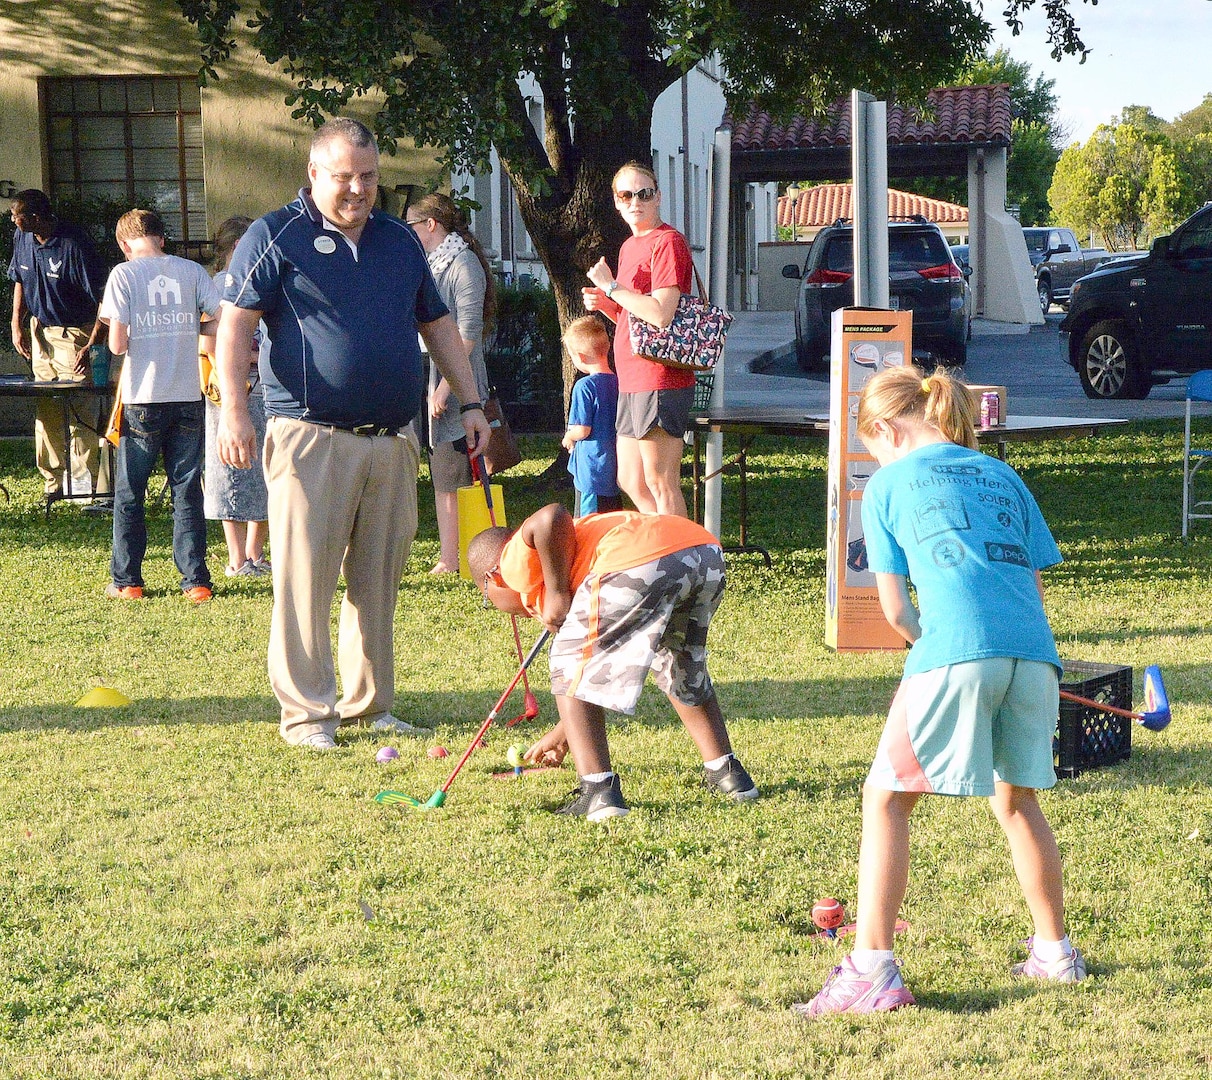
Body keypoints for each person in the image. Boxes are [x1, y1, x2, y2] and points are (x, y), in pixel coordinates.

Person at [794, 365, 1084, 1018]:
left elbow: (897, 612)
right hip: (1035, 654)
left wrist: (934, 650)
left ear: (886, 430)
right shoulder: (1004, 475)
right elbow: (1034, 590)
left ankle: (871, 970)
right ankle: (1056, 953)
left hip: (955, 651)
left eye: (870, 444)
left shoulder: (888, 483)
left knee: (886, 799)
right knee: (1017, 802)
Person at [215, 117, 491, 751]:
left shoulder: (399, 240)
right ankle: (309, 716)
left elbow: (439, 325)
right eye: (343, 177)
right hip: (311, 438)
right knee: (304, 582)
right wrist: (234, 409)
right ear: (314, 174)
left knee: (378, 579)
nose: (357, 190)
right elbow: (234, 328)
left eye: (367, 177)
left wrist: (472, 401)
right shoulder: (274, 234)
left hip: (393, 440)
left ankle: (370, 706)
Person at [468, 503, 759, 821]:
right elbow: (600, 669)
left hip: (639, 559)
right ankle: (727, 774)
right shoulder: (575, 551)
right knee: (678, 662)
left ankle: (598, 792)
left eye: (486, 597)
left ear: (491, 579)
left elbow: (549, 516)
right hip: (702, 552)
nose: (494, 604)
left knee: (568, 658)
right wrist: (564, 732)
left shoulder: (509, 559)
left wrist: (554, 593)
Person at [100, 209, 220, 603]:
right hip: (187, 393)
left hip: (142, 397)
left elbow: (117, 344)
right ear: (162, 238)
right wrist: (189, 327)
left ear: (124, 243)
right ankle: (196, 581)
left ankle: (128, 581)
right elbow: (220, 322)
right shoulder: (191, 272)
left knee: (131, 490)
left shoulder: (123, 275)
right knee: (186, 489)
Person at [583, 161, 693, 517]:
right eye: (626, 195)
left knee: (661, 481)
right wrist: (608, 303)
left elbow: (661, 313)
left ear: (658, 197)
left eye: (644, 193)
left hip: (659, 376)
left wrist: (612, 287)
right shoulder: (630, 246)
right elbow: (637, 318)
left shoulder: (668, 242)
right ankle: (667, 545)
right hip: (631, 377)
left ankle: (681, 560)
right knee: (631, 479)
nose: (635, 201)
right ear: (616, 202)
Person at [404, 193, 493, 573]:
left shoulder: (463, 264)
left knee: (450, 472)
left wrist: (445, 387)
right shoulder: (428, 264)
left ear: (430, 225)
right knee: (434, 467)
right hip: (424, 372)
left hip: (455, 379)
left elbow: (469, 333)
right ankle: (447, 555)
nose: (406, 233)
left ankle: (451, 558)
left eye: (411, 226)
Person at [7, 189, 110, 500]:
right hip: (40, 332)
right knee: (47, 408)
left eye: (18, 217)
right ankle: (53, 484)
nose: (13, 221)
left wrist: (91, 347)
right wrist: (17, 324)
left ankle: (87, 484)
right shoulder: (22, 238)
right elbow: (20, 281)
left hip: (76, 332)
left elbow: (105, 302)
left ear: (37, 218)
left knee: (81, 408)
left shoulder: (74, 244)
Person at [202, 216, 269, 578]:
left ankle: (256, 554)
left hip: (268, 387)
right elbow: (211, 342)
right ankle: (236, 557)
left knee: (266, 470)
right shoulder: (216, 287)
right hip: (229, 391)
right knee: (232, 472)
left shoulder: (265, 279)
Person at [561, 315, 621, 518]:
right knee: (612, 522)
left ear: (581, 357)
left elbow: (582, 429)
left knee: (589, 524)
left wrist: (568, 437)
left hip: (591, 471)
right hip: (615, 465)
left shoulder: (584, 386)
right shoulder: (619, 382)